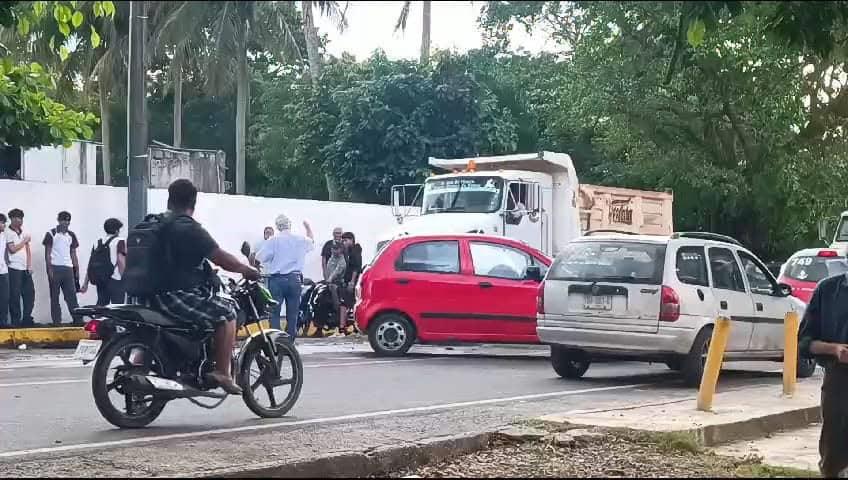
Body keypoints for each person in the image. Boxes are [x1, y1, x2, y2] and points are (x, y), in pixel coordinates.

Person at [149, 179, 259, 394]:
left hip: (145, 295)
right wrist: (246, 270)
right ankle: (222, 372)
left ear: (170, 199)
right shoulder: (188, 227)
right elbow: (220, 258)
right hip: (173, 295)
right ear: (193, 202)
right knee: (227, 313)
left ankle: (139, 364)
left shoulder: (154, 222)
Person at [799, 273, 848, 478]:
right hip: (838, 381)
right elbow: (804, 343)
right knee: (833, 454)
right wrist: (835, 349)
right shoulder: (828, 290)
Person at [256, 214, 314, 340]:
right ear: (290, 225)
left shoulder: (273, 240)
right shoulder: (300, 239)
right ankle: (289, 342)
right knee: (293, 314)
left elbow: (259, 258)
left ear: (277, 226)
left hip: (276, 280)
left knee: (274, 313)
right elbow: (311, 241)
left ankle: (277, 341)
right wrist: (308, 227)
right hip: (295, 279)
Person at [42, 211, 82, 325]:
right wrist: (49, 269)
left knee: (71, 296)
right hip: (55, 267)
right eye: (63, 220)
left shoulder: (71, 235)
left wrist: (76, 269)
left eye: (68, 220)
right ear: (58, 220)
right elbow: (47, 253)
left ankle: (78, 320)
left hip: (68, 268)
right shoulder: (51, 233)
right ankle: (57, 321)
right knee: (55, 296)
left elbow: (73, 253)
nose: (66, 222)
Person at [80, 218, 127, 305]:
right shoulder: (120, 241)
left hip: (101, 279)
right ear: (117, 230)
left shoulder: (97, 242)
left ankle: (98, 318)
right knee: (118, 308)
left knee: (101, 306)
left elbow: (91, 263)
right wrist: (125, 279)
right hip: (115, 279)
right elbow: (121, 260)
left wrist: (85, 283)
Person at [6, 208, 33, 327]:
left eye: (21, 218)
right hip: (13, 268)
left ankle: (26, 319)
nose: (19, 220)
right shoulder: (7, 232)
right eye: (17, 218)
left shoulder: (23, 232)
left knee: (29, 294)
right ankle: (15, 322)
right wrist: (24, 241)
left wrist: (29, 265)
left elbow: (27, 249)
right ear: (11, 219)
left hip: (25, 268)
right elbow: (12, 250)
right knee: (15, 296)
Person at [322, 241, 347, 336]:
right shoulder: (332, 257)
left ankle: (340, 327)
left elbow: (336, 272)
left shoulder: (342, 261)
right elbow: (328, 269)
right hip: (329, 282)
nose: (333, 250)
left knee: (338, 304)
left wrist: (329, 280)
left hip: (337, 284)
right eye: (333, 248)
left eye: (336, 249)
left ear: (341, 250)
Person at [340, 231, 362, 334]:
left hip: (352, 281)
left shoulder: (355, 251)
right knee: (347, 303)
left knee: (346, 303)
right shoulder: (348, 252)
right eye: (342, 240)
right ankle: (344, 326)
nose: (344, 242)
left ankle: (343, 326)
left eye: (345, 240)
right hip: (348, 280)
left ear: (351, 240)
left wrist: (352, 282)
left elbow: (355, 268)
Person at [0, 213, 8, 328]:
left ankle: (3, 322)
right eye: (2, 222)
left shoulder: (3, 236)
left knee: (4, 297)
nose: (4, 225)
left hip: (3, 271)